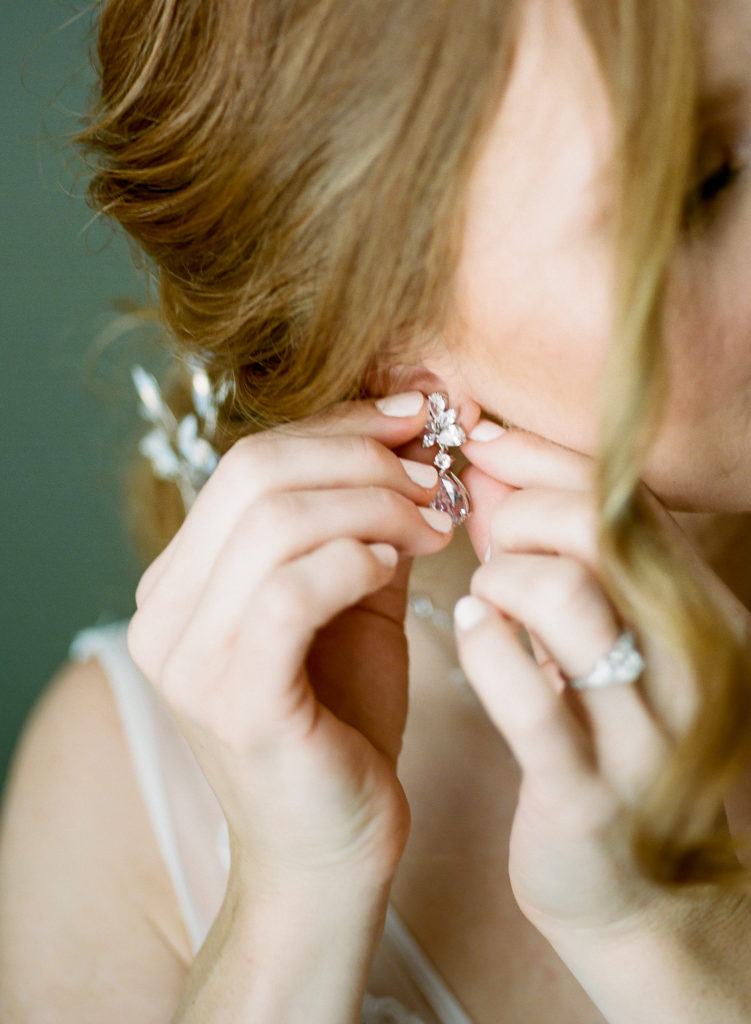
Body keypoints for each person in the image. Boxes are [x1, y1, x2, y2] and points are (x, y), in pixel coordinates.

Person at [3, 0, 751, 1020]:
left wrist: (688, 943)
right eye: (702, 183)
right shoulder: (117, 806)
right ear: (384, 337)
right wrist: (292, 898)